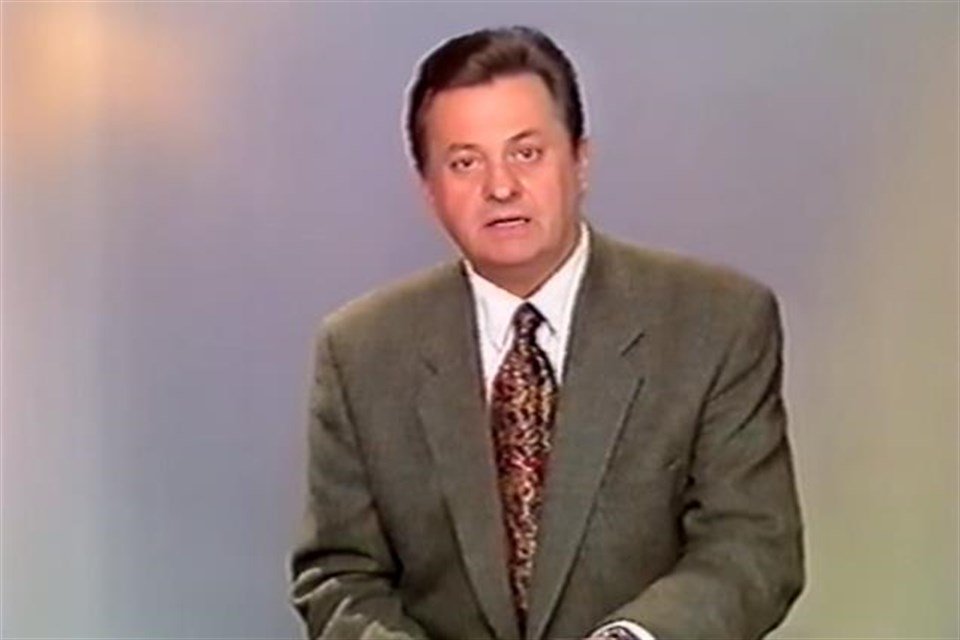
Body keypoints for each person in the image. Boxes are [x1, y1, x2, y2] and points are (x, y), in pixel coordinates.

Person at [289, 26, 804, 640]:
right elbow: (341, 577)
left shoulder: (716, 322)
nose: (500, 187)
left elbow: (751, 547)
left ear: (580, 161)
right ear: (428, 191)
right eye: (465, 163)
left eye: (526, 153)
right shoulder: (360, 352)